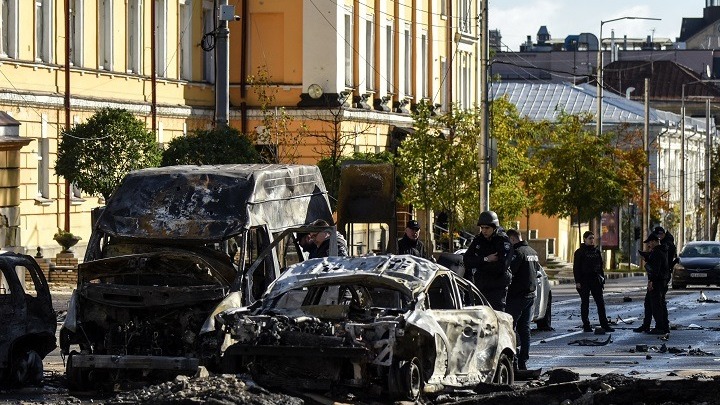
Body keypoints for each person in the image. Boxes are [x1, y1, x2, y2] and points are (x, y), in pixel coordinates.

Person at [462, 210, 513, 311]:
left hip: (497, 288)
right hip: (481, 286)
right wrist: (486, 259)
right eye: (482, 228)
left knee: (497, 318)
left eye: (487, 228)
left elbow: (501, 267)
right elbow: (467, 261)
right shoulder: (478, 240)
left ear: (494, 227)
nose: (484, 231)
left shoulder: (503, 242)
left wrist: (479, 264)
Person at [505, 229, 539, 371]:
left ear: (512, 239)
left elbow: (510, 272)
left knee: (510, 328)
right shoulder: (532, 252)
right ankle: (523, 361)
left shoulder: (518, 252)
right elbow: (536, 271)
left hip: (517, 296)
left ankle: (512, 359)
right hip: (530, 295)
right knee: (525, 329)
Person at [573, 231, 614, 333]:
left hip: (596, 280)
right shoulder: (579, 252)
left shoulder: (596, 251)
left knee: (600, 303)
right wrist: (578, 281)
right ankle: (586, 325)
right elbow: (576, 268)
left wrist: (602, 280)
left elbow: (600, 267)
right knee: (585, 303)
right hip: (584, 280)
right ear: (585, 239)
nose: (592, 240)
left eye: (593, 238)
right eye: (590, 238)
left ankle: (604, 324)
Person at [634, 233, 671, 334]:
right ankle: (648, 325)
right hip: (661, 280)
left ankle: (660, 327)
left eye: (650, 242)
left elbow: (655, 269)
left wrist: (651, 282)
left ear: (654, 241)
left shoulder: (657, 252)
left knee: (656, 305)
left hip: (657, 281)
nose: (648, 245)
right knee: (650, 304)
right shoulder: (661, 250)